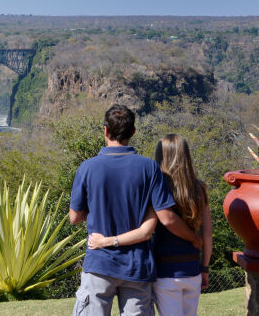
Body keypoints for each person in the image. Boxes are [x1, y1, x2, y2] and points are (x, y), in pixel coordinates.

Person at [69, 105, 202, 316]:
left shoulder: (87, 167)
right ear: (133, 132)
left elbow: (74, 217)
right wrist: (195, 239)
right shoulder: (149, 168)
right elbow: (163, 217)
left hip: (99, 263)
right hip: (137, 266)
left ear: (105, 131)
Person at [88, 134, 212, 316]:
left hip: (166, 272)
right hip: (192, 270)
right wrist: (204, 267)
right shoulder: (199, 189)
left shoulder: (157, 187)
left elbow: (162, 221)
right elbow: (207, 234)